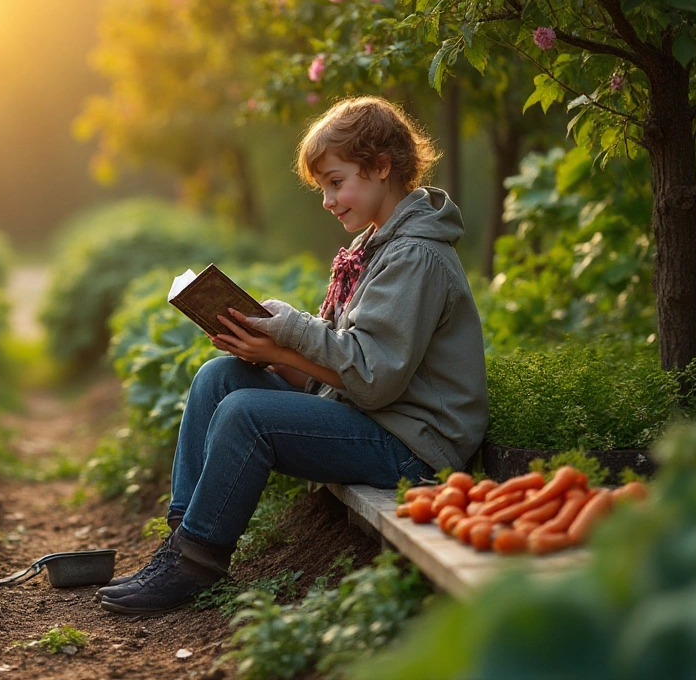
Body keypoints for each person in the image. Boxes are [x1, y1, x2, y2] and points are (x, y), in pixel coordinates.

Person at [97, 95, 488, 616]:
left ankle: (196, 564)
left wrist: (292, 334)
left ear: (380, 168)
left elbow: (373, 379)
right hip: (375, 417)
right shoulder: (381, 246)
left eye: (335, 181)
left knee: (247, 414)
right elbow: (355, 372)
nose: (328, 199)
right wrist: (273, 352)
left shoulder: (415, 255)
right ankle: (181, 544)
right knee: (221, 379)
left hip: (414, 446)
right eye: (323, 186)